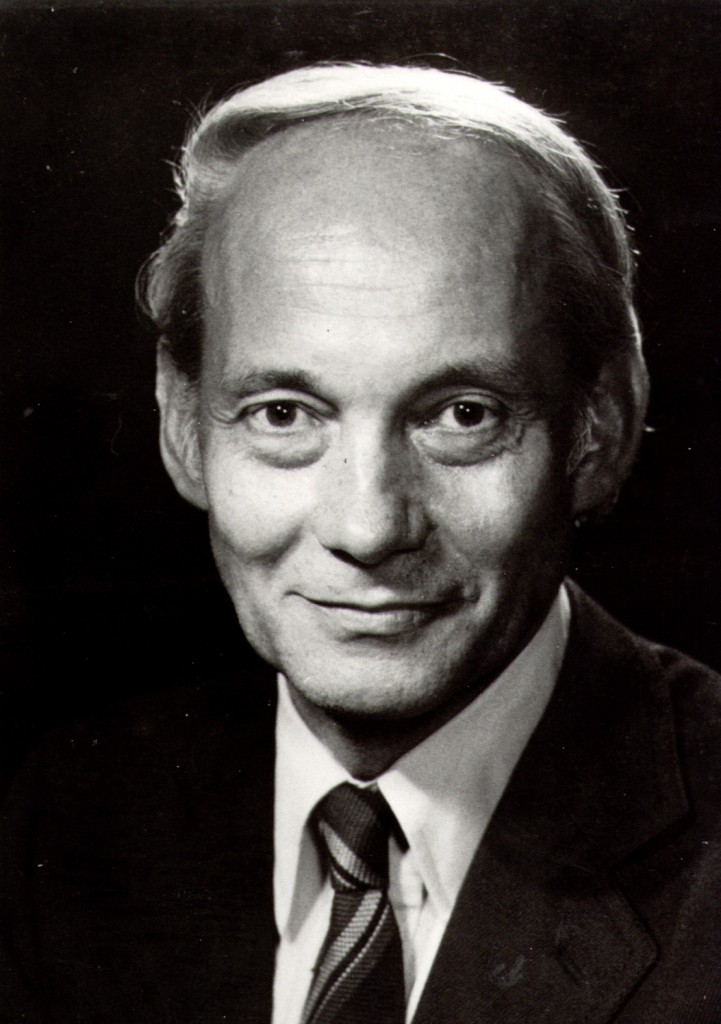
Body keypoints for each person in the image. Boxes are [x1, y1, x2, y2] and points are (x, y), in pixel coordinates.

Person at [1, 62, 720, 1024]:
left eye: (462, 415)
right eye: (283, 414)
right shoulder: (69, 819)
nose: (368, 528)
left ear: (600, 428)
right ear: (182, 425)